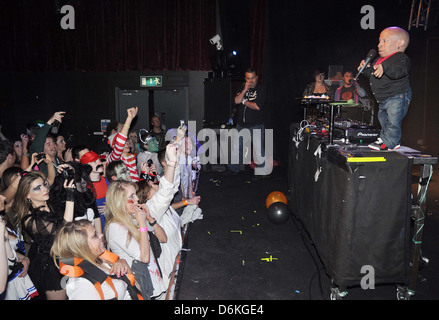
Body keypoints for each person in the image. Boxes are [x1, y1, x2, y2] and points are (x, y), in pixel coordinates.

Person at [13, 169, 75, 300]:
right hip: (50, 265)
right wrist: (70, 197)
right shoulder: (30, 220)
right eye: (37, 188)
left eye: (44, 184)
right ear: (27, 196)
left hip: (65, 256)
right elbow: (64, 230)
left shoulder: (50, 204)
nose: (44, 189)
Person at [105, 180, 168, 300]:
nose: (137, 199)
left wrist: (149, 218)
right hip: (141, 286)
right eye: (132, 196)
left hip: (154, 280)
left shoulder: (133, 216)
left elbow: (163, 238)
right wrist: (142, 224)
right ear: (120, 202)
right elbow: (144, 258)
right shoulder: (115, 227)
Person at [51, 220, 138, 300]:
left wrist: (123, 262)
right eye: (95, 235)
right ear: (82, 247)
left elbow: (130, 288)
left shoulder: (102, 260)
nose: (101, 235)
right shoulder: (80, 284)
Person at [358, 26, 411, 151]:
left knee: (393, 120)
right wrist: (365, 69)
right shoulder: (378, 60)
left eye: (384, 41)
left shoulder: (401, 59)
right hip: (383, 99)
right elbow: (373, 75)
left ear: (400, 43)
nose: (379, 45)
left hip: (397, 96)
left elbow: (398, 71)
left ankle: (389, 142)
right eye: (379, 41)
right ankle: (389, 139)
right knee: (384, 120)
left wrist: (385, 67)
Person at [227, 67, 270, 178]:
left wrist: (245, 101)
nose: (250, 81)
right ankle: (233, 169)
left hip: (256, 125)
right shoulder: (242, 88)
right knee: (236, 148)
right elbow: (236, 101)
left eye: (252, 78)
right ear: (245, 79)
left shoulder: (261, 89)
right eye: (248, 79)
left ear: (256, 78)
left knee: (258, 149)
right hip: (241, 125)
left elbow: (257, 106)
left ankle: (262, 172)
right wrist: (244, 90)